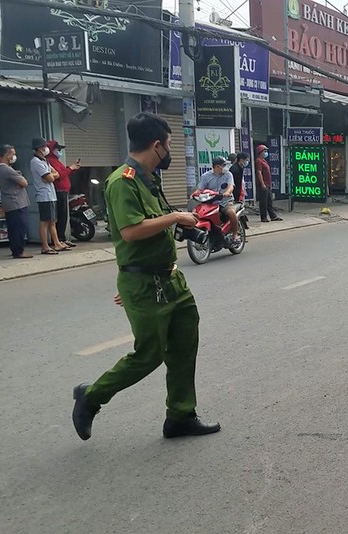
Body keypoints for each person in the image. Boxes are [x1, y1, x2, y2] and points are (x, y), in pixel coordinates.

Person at [71, 112, 220, 441]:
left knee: (184, 344)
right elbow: (130, 232)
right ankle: (91, 397)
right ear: (157, 145)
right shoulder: (122, 181)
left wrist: (176, 223)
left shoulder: (149, 179)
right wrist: (175, 217)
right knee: (149, 354)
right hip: (144, 284)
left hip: (170, 279)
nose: (168, 152)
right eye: (168, 145)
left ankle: (181, 415)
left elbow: (154, 228)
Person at [30, 137, 68, 255]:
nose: (46, 149)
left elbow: (55, 173)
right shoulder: (35, 162)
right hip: (44, 195)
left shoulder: (44, 161)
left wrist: (53, 175)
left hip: (51, 194)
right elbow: (50, 177)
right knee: (45, 222)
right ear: (38, 149)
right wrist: (53, 176)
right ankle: (45, 246)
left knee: (52, 221)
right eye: (43, 147)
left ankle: (57, 243)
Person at [191, 156, 240, 244]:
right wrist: (195, 194)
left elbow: (230, 186)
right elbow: (200, 189)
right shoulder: (206, 176)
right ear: (217, 166)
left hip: (225, 202)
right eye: (223, 165)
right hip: (210, 203)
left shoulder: (228, 174)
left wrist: (227, 192)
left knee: (231, 213)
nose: (225, 167)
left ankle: (235, 234)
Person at [0, 144, 32, 259]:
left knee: (13, 228)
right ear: (7, 155)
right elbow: (24, 182)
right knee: (19, 227)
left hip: (9, 202)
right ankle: (19, 251)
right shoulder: (6, 169)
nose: (15, 156)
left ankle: (15, 250)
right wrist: (22, 180)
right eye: (13, 154)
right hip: (16, 202)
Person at [46, 140, 80, 248]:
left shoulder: (56, 160)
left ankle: (62, 238)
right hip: (59, 190)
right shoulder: (50, 161)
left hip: (63, 190)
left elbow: (63, 173)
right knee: (60, 216)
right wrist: (70, 168)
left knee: (64, 216)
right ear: (52, 150)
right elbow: (59, 175)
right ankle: (59, 239)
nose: (60, 151)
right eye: (58, 149)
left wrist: (72, 169)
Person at [254, 144, 282, 223]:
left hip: (268, 184)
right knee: (263, 202)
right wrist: (262, 184)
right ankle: (263, 217)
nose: (266, 153)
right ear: (260, 152)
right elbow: (259, 173)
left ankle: (273, 216)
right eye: (264, 151)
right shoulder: (258, 161)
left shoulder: (264, 160)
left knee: (269, 201)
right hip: (263, 184)